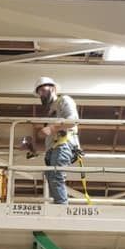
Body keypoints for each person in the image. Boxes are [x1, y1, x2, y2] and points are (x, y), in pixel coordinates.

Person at [34, 76, 80, 204]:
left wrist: (52, 128)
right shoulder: (50, 113)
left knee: (55, 176)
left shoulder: (64, 100)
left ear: (53, 88)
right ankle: (60, 205)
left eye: (43, 90)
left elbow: (73, 120)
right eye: (39, 93)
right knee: (51, 176)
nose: (41, 95)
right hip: (53, 149)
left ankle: (62, 209)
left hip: (63, 144)